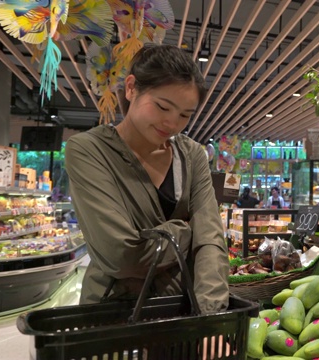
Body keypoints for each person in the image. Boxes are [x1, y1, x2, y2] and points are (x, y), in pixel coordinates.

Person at [65, 44, 229, 314]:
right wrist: (186, 231)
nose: (172, 123)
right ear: (131, 88)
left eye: (185, 115)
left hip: (181, 309)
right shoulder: (89, 150)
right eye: (163, 106)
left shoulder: (192, 156)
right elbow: (122, 256)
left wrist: (210, 317)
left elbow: (211, 242)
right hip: (113, 312)